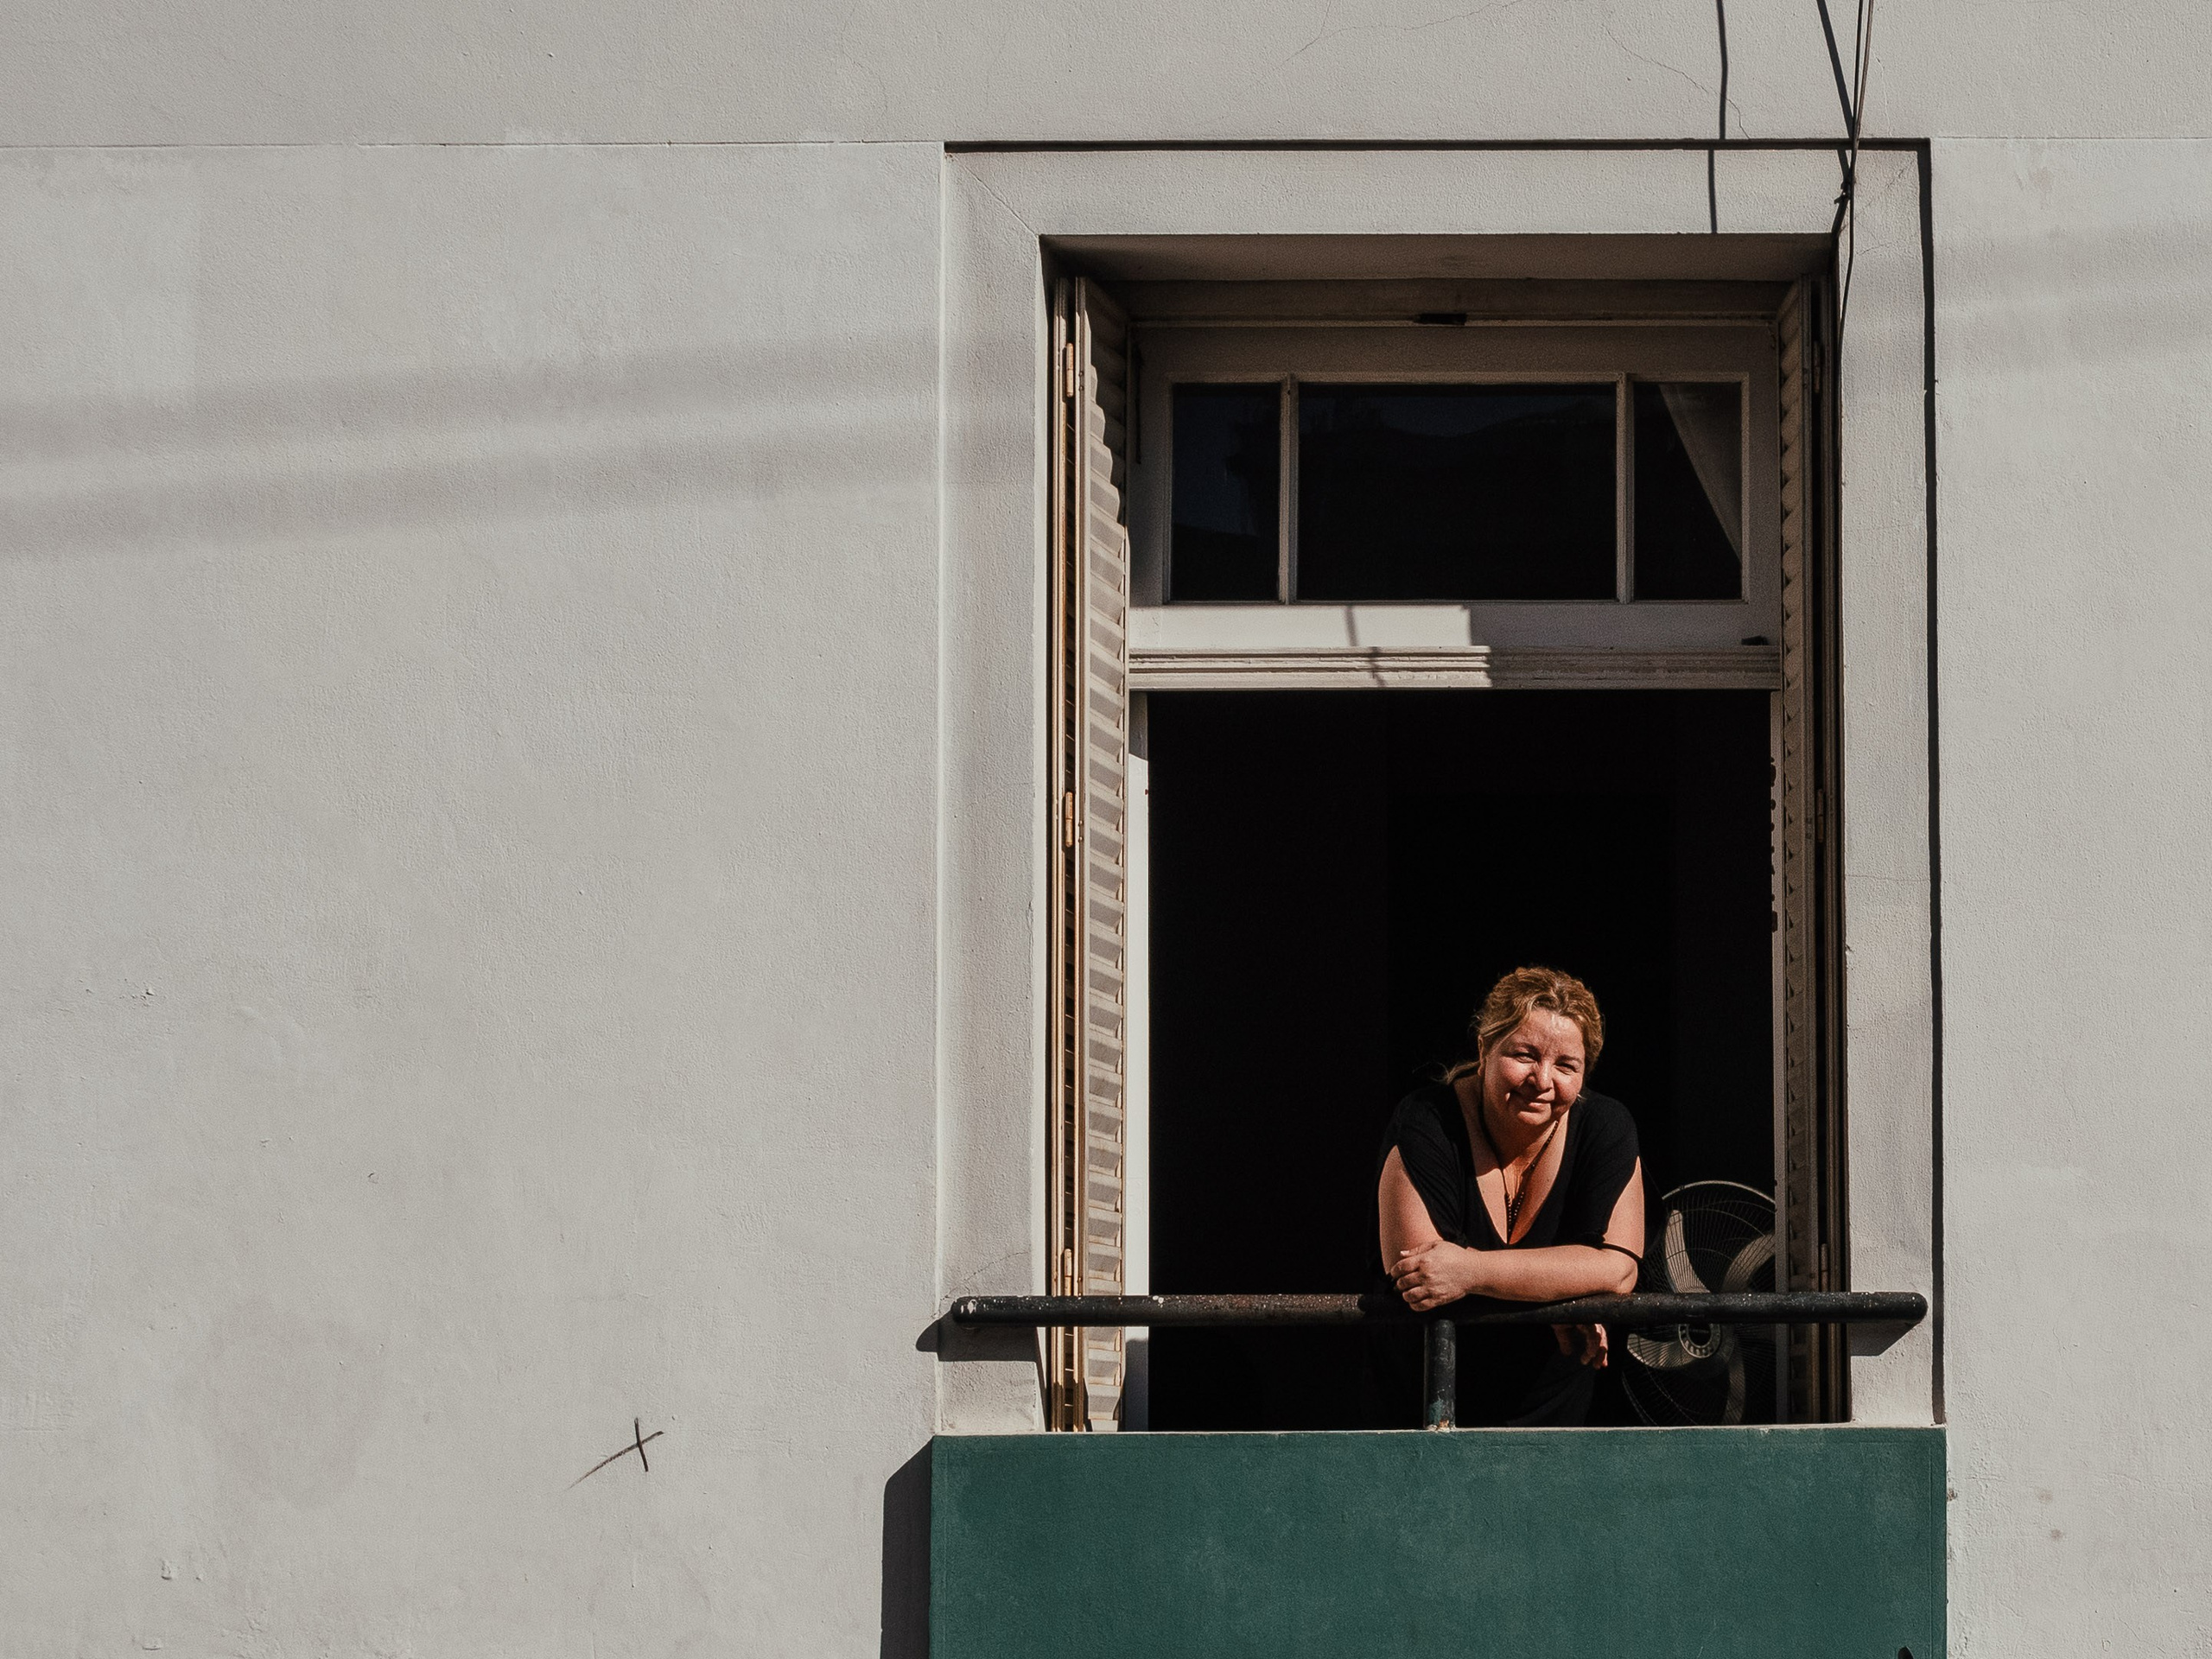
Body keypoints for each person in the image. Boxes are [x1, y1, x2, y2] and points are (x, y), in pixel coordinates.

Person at [1375, 965, 1645, 1427]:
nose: (1542, 1080)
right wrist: (1560, 1291)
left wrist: (1470, 1269)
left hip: (1553, 1422)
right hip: (1425, 1416)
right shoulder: (1425, 1120)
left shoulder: (1606, 1127)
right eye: (1524, 1055)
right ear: (1484, 1048)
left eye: (1566, 1066)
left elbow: (1618, 1268)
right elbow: (1421, 1278)